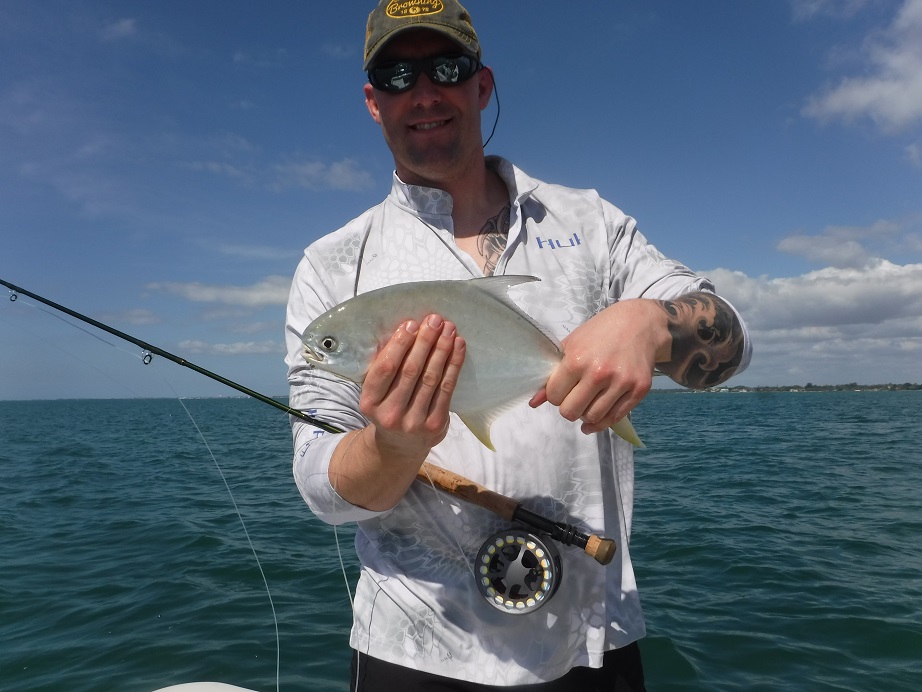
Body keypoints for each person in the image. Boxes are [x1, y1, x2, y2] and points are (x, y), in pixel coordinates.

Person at [285, 2, 752, 690]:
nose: (423, 92)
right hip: (414, 649)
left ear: (482, 85)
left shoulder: (592, 224)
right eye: (396, 73)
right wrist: (392, 449)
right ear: (372, 102)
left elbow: (730, 345)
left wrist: (649, 320)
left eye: (446, 67)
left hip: (596, 636)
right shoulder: (333, 265)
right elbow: (320, 482)